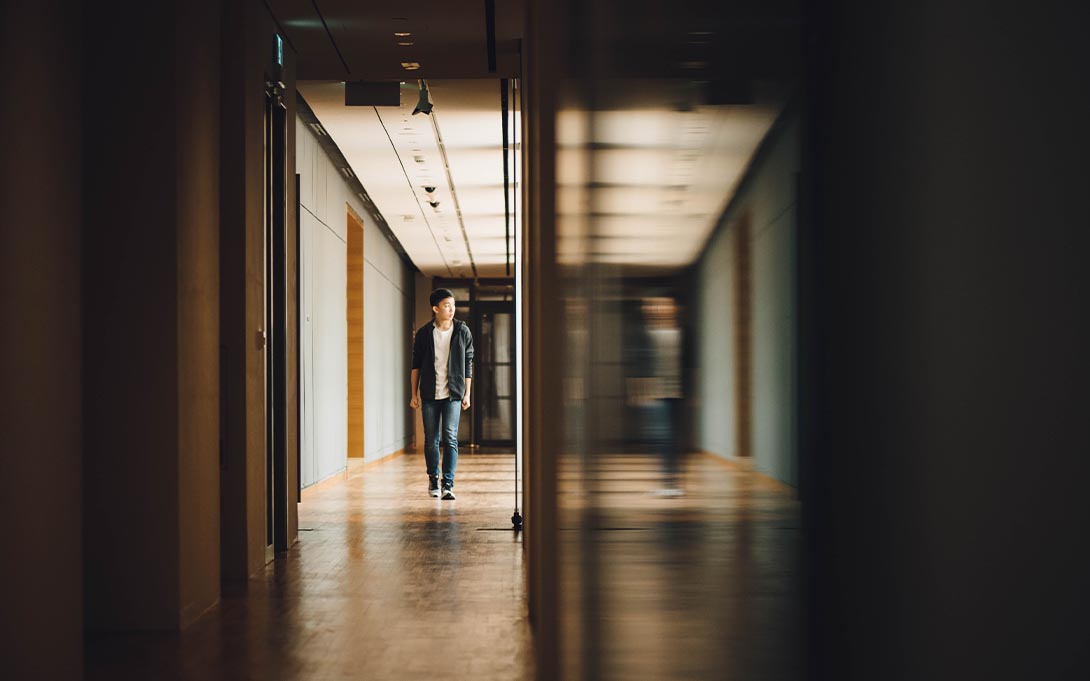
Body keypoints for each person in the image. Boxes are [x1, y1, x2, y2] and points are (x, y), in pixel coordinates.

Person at [410, 288, 474, 500]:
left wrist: (467, 393)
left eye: (453, 305)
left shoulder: (462, 331)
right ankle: (433, 478)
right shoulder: (424, 334)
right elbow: (416, 366)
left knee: (450, 438)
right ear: (435, 308)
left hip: (453, 394)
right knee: (431, 440)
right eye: (447, 305)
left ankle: (448, 484)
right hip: (429, 394)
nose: (451, 309)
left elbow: (468, 363)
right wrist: (414, 394)